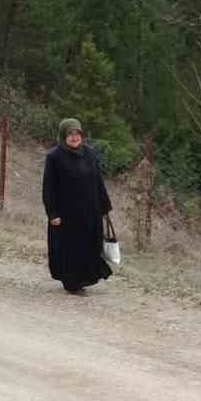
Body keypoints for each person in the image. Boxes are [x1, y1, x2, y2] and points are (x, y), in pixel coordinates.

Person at [42, 118, 114, 295]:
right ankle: (72, 283)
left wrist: (105, 207)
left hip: (91, 211)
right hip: (67, 215)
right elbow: (48, 188)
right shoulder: (54, 157)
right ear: (63, 136)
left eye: (77, 134)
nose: (74, 137)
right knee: (70, 249)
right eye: (70, 134)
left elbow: (98, 181)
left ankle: (86, 278)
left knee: (89, 246)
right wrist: (53, 214)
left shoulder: (90, 154)